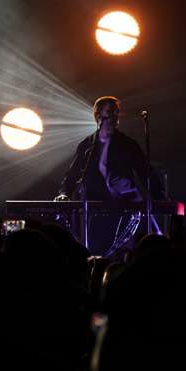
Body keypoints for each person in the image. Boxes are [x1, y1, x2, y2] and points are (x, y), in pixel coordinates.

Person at [55, 96, 165, 256]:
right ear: (98, 114)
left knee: (146, 249)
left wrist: (159, 196)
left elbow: (145, 171)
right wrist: (64, 194)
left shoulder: (128, 143)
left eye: (117, 113)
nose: (115, 116)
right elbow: (72, 175)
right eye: (110, 112)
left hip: (129, 206)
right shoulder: (86, 145)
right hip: (100, 208)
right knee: (94, 254)